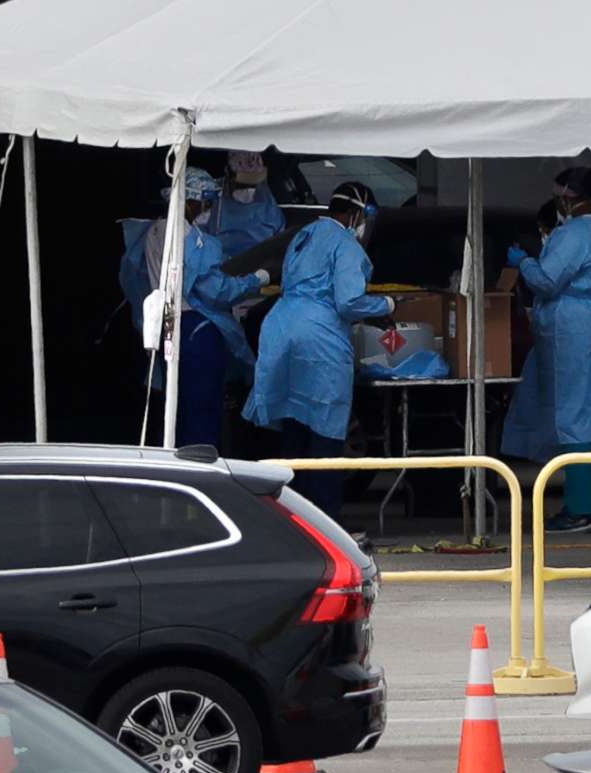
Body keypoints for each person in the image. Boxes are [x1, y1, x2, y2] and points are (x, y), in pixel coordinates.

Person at [244, 180, 392, 519]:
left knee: (295, 430)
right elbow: (349, 301)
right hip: (318, 337)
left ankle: (292, 519)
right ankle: (325, 523)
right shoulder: (347, 246)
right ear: (357, 213)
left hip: (281, 328)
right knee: (326, 433)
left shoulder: (303, 235)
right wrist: (385, 305)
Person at [508, 165, 591, 534]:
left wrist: (524, 262)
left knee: (574, 415)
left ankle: (578, 509)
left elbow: (546, 280)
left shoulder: (573, 233)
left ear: (567, 194)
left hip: (573, 327)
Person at [120, 168, 269, 450]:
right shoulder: (191, 239)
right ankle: (201, 469)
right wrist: (254, 280)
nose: (209, 209)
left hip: (165, 326)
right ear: (191, 200)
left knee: (176, 408)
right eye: (206, 202)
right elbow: (216, 290)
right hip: (195, 330)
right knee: (202, 409)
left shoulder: (152, 231)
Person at [498, 202, 563, 464]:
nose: (542, 235)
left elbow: (546, 283)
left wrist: (525, 263)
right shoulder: (552, 255)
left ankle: (582, 500)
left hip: (560, 340)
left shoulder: (557, 255)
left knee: (571, 423)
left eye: (542, 229)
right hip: (549, 339)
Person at [205, 148, 288, 258]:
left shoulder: (267, 202)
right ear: (228, 174)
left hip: (260, 265)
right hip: (221, 265)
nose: (249, 191)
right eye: (243, 185)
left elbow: (279, 238)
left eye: (253, 185)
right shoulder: (213, 196)